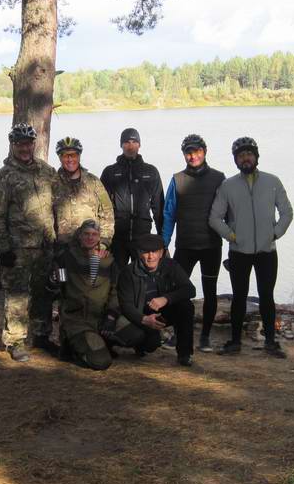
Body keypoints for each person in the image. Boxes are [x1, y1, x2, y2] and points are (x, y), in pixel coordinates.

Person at [209, 136, 294, 358]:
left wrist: (275, 233)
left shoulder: (272, 181)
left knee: (267, 296)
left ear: (256, 156)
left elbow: (287, 212)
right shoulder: (228, 186)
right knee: (239, 296)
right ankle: (235, 341)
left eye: (249, 154)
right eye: (240, 156)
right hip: (239, 252)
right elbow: (215, 218)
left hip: (267, 251)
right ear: (236, 160)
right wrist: (232, 236)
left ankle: (271, 342)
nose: (245, 158)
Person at [0, 122, 57, 362]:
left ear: (34, 144)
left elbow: (57, 204)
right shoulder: (5, 176)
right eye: (20, 144)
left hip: (45, 245)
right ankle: (15, 341)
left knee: (43, 292)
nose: (25, 148)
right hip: (18, 248)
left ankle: (41, 334)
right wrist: (3, 247)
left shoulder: (46, 171)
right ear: (13, 145)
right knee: (17, 295)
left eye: (28, 143)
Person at [162, 134, 226, 352]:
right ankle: (178, 334)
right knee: (177, 292)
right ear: (184, 155)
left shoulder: (219, 178)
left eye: (197, 151)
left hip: (211, 246)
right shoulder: (177, 179)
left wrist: (235, 242)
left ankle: (205, 336)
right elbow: (169, 214)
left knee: (210, 292)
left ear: (204, 152)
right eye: (189, 152)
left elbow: (229, 213)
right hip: (185, 246)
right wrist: (164, 244)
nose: (193, 156)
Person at [115, 234, 196, 366]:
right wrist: (144, 319)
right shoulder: (128, 272)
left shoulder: (171, 265)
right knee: (151, 344)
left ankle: (184, 354)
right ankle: (140, 345)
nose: (151, 256)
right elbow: (126, 306)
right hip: (141, 315)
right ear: (139, 253)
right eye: (146, 252)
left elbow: (190, 290)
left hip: (163, 311)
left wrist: (166, 298)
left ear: (161, 253)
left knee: (186, 306)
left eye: (155, 252)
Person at [54, 219, 119, 371]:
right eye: (86, 234)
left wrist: (111, 315)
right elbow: (59, 285)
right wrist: (53, 279)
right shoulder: (67, 257)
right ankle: (73, 346)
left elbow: (115, 291)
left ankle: (102, 343)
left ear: (99, 237)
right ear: (80, 236)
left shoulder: (108, 260)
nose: (90, 238)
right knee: (101, 362)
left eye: (94, 234)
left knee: (134, 334)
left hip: (100, 317)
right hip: (77, 321)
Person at [100, 128, 164, 268]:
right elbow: (101, 208)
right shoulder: (110, 172)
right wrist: (102, 240)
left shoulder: (150, 171)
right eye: (127, 142)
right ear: (121, 145)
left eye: (134, 142)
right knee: (116, 277)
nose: (130, 146)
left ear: (139, 145)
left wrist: (162, 240)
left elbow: (159, 207)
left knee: (142, 275)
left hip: (142, 236)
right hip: (117, 237)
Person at [52, 136, 114, 251]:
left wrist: (104, 243)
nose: (70, 160)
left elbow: (107, 213)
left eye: (74, 155)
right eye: (66, 156)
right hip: (63, 249)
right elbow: (45, 218)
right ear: (60, 158)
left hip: (91, 247)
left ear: (79, 156)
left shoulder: (94, 182)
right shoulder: (52, 183)